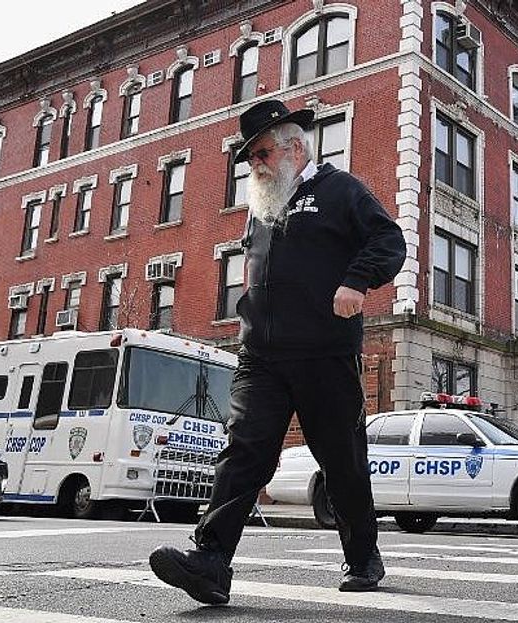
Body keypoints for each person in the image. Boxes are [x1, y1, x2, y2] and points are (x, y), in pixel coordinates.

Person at [148, 99, 406, 604]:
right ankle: (211, 561)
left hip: (324, 352)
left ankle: (362, 557)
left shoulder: (340, 190)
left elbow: (389, 240)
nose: (256, 165)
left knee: (342, 461)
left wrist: (356, 280)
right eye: (250, 159)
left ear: (294, 147)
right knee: (243, 450)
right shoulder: (262, 207)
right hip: (261, 356)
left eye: (262, 153)